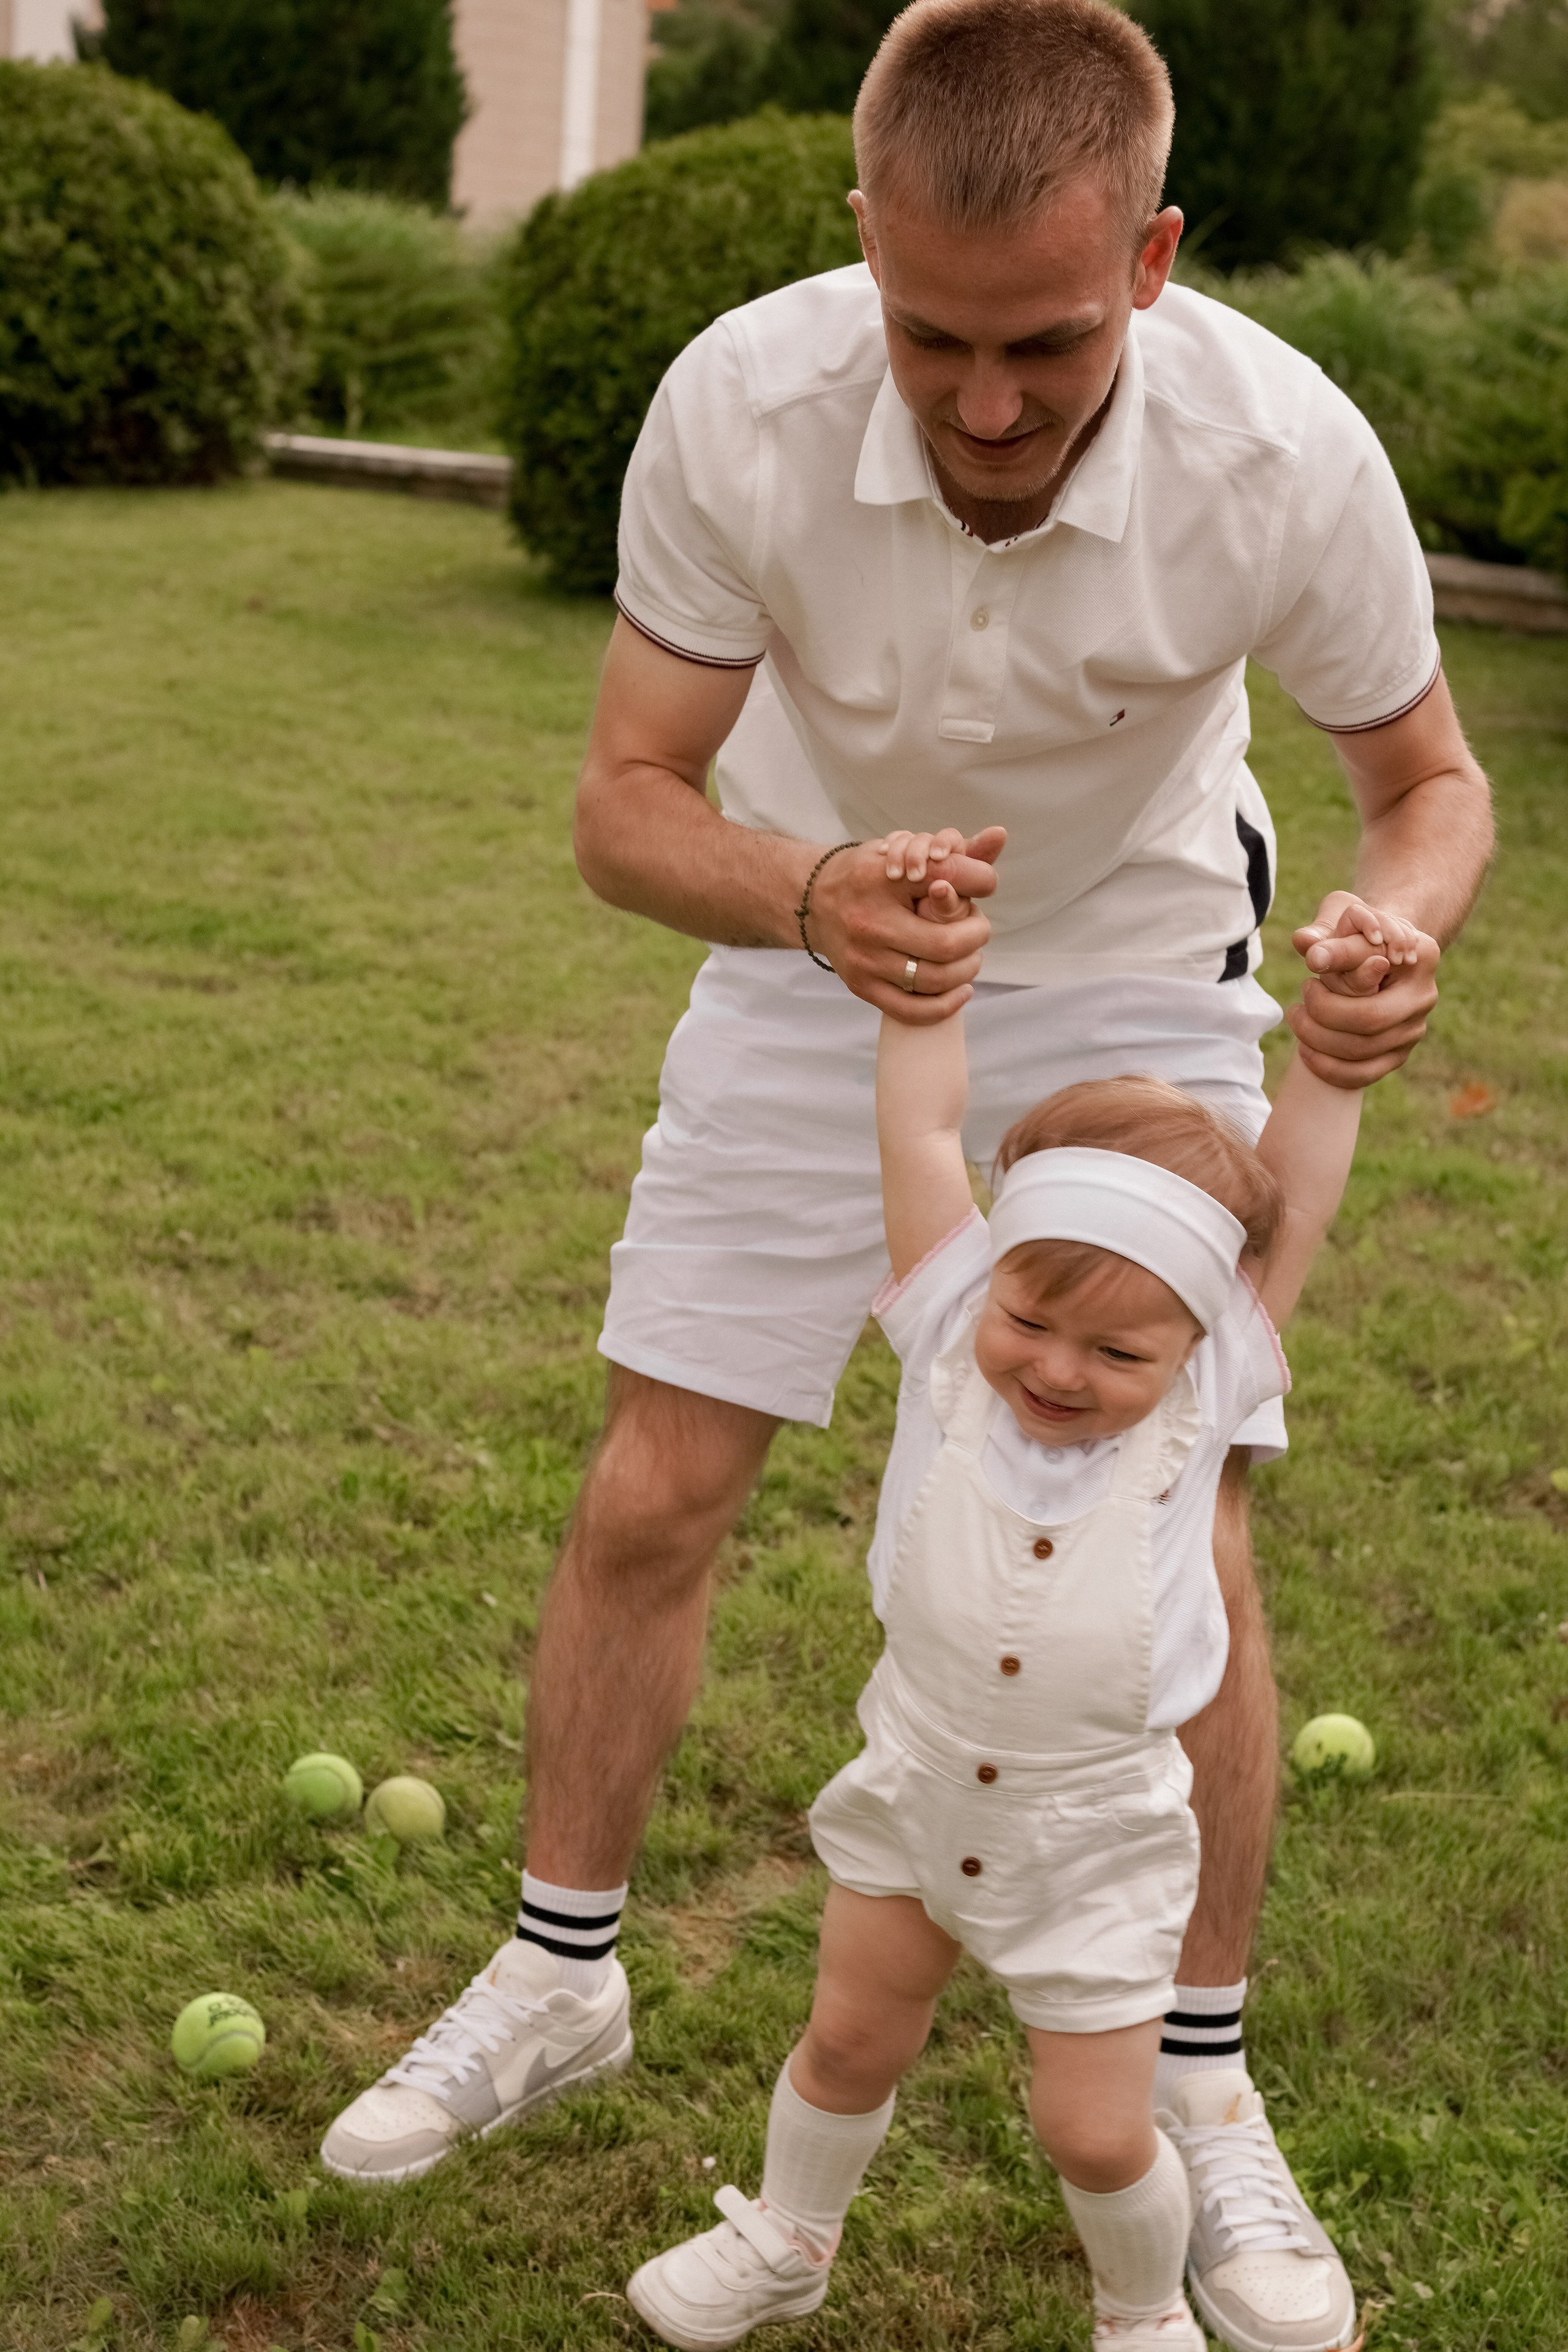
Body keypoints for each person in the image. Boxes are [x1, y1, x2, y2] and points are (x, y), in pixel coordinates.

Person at [321, 2, 1493, 2343]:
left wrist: (1392, 946)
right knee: (660, 1480)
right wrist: (809, 896)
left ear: (1152, 258)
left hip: (1152, 966)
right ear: (859, 238)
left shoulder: (1286, 450)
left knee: (1200, 1525)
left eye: (1045, 341)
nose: (982, 402)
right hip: (822, 933)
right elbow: (626, 799)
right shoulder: (738, 407)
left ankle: (1205, 2075)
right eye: (931, 333)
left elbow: (1429, 787)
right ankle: (561, 1972)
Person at [624, 844, 1407, 2352]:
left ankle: (1136, 2313)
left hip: (1093, 1829)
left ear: (1193, 1351)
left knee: (1097, 2132)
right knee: (847, 2036)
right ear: (987, 1278)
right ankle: (790, 2234)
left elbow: (1291, 1208)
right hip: (914, 1781)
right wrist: (923, 973)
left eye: (1115, 1357)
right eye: (1032, 1321)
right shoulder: (942, 1327)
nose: (1057, 1371)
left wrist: (1333, 1057)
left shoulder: (1211, 1385)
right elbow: (919, 1128)